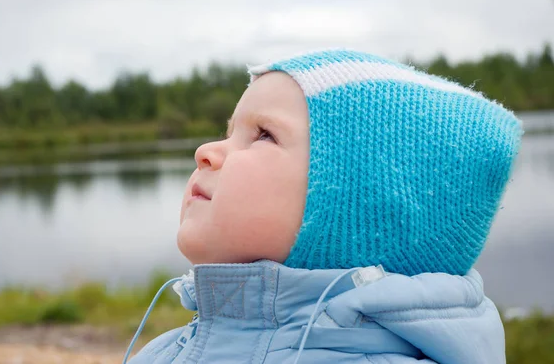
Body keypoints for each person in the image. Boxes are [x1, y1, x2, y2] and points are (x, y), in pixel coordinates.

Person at [124, 49, 522, 364]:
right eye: (228, 132)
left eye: (262, 135)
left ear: (364, 208)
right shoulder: (166, 351)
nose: (205, 152)